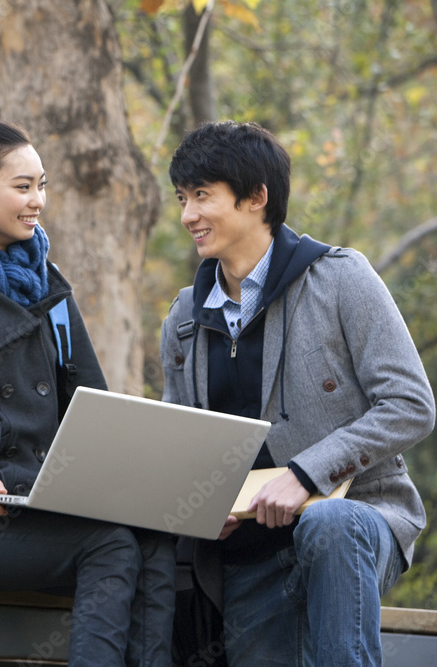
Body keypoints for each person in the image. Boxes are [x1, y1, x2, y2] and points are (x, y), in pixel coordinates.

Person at [0, 120, 176, 666]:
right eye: (23, 187)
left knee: (156, 538)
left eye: (42, 185)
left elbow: (94, 408)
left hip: (46, 496)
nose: (38, 200)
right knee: (111, 544)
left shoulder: (51, 287)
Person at [159, 120, 435, 665]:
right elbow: (180, 439)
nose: (188, 215)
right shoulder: (183, 318)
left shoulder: (341, 279)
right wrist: (196, 503)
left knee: (329, 523)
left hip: (361, 516)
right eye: (182, 198)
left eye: (202, 196)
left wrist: (306, 474)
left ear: (256, 198)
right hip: (244, 557)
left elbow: (411, 405)